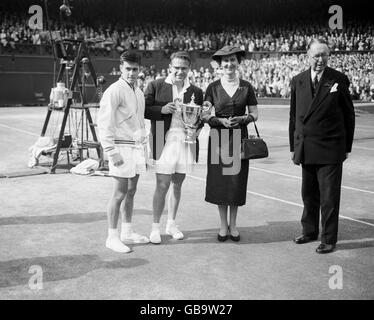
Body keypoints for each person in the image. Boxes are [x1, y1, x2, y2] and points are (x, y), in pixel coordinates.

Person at [289, 38, 355, 254]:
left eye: (324, 54)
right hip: (306, 147)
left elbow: (348, 115)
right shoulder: (297, 80)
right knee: (308, 194)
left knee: (329, 198)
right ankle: (309, 231)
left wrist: (347, 147)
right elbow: (294, 117)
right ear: (307, 56)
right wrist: (293, 146)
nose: (320, 59)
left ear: (329, 55)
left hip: (330, 148)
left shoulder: (338, 79)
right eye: (316, 55)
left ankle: (328, 238)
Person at [144, 51, 203, 244]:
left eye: (184, 68)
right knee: (162, 185)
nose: (180, 71)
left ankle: (171, 224)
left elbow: (199, 118)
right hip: (164, 140)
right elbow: (143, 109)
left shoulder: (195, 91)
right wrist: (160, 110)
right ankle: (155, 228)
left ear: (189, 69)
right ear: (171, 67)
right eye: (176, 68)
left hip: (185, 143)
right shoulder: (156, 85)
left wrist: (196, 131)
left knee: (177, 184)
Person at [203, 45, 258, 242]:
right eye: (225, 61)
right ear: (220, 64)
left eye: (232, 60)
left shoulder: (246, 86)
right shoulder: (212, 88)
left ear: (238, 62)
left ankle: (233, 224)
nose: (229, 64)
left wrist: (242, 119)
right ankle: (222, 225)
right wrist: (219, 121)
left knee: (235, 183)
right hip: (218, 138)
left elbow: (255, 114)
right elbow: (205, 114)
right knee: (220, 183)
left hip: (238, 138)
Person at [97, 51, 149, 253]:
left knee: (131, 192)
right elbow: (104, 122)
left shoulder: (138, 91)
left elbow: (140, 121)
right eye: (128, 69)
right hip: (119, 147)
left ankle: (127, 231)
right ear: (121, 68)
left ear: (139, 70)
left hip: (136, 148)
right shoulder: (114, 90)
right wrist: (111, 150)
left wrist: (143, 139)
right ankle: (112, 237)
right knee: (118, 193)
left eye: (135, 69)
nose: (132, 72)